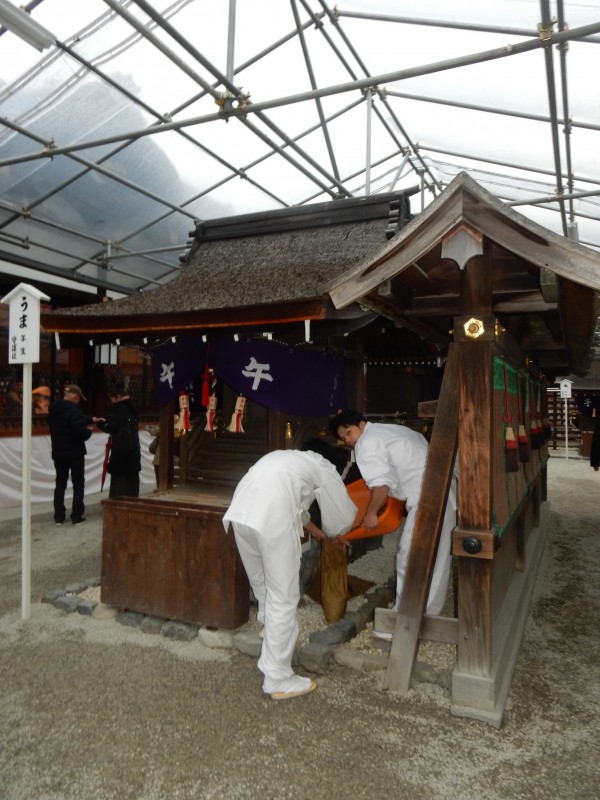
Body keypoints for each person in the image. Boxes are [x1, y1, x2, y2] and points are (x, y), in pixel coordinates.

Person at [222, 445, 357, 701]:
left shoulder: (289, 459)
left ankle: (268, 628)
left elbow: (294, 504)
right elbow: (341, 518)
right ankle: (278, 678)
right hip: (272, 518)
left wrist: (316, 530)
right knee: (283, 597)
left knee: (261, 582)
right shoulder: (324, 468)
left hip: (242, 514)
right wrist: (335, 531)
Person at [329, 410, 457, 617]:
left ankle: (404, 619)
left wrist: (370, 513)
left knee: (411, 557)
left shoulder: (367, 442)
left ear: (362, 424)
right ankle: (428, 615)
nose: (348, 440)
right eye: (344, 438)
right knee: (437, 560)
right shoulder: (393, 431)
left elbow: (381, 484)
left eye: (349, 433)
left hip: (428, 498)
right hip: (446, 493)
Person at [48, 384, 94, 525]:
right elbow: (82, 433)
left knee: (60, 484)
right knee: (78, 484)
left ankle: (59, 516)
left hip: (59, 452)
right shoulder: (75, 412)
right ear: (75, 397)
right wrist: (89, 430)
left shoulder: (54, 409)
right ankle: (76, 515)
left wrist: (89, 418)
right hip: (75, 453)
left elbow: (72, 421)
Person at [94, 381, 141, 498]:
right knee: (131, 480)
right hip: (133, 449)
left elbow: (113, 427)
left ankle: (118, 505)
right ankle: (132, 502)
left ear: (118, 397)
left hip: (122, 450)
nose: (111, 402)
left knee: (120, 481)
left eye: (112, 399)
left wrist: (101, 423)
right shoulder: (132, 407)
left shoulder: (122, 409)